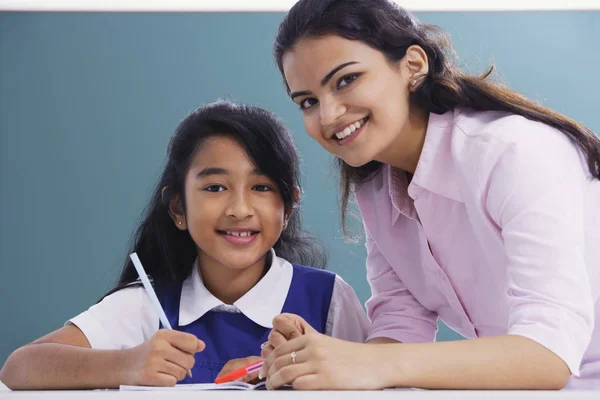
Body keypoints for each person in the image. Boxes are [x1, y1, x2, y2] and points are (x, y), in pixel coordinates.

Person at [258, 0, 600, 391]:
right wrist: (316, 359)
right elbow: (401, 322)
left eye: (346, 80)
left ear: (413, 66)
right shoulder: (378, 187)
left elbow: (549, 353)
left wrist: (367, 361)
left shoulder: (513, 153)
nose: (329, 115)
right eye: (308, 101)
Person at [0, 100, 369, 390]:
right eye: (214, 188)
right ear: (178, 207)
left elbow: (384, 381)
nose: (240, 209)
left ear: (287, 208)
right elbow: (20, 367)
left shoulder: (328, 299)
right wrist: (128, 364)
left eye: (261, 188)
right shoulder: (146, 304)